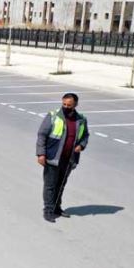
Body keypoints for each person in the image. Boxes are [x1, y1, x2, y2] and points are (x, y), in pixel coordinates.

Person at [36, 92, 89, 223]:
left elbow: (86, 136)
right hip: (53, 157)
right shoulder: (53, 116)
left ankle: (57, 208)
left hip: (69, 159)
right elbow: (42, 135)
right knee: (50, 185)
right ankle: (48, 211)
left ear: (75, 105)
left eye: (69, 105)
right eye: (64, 104)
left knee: (61, 185)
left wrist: (81, 146)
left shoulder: (81, 119)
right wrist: (41, 154)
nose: (65, 107)